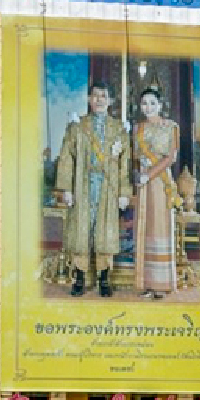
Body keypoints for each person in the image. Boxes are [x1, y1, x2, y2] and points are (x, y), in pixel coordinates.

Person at [51, 82, 130, 297]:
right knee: (81, 231)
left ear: (110, 101)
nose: (99, 100)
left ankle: (104, 279)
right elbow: (67, 158)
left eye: (104, 96)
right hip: (83, 184)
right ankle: (79, 278)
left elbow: (125, 163)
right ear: (89, 99)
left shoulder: (119, 129)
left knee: (105, 231)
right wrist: (66, 188)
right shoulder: (77, 126)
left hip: (108, 186)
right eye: (95, 96)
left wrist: (124, 192)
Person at [131, 86, 181, 300]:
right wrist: (137, 172)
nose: (148, 107)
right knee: (145, 228)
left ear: (160, 105)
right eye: (144, 103)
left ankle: (162, 284)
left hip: (160, 182)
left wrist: (149, 174)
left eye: (152, 103)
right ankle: (147, 283)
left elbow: (170, 158)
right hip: (143, 183)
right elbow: (133, 155)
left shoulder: (171, 127)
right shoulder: (137, 128)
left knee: (160, 227)